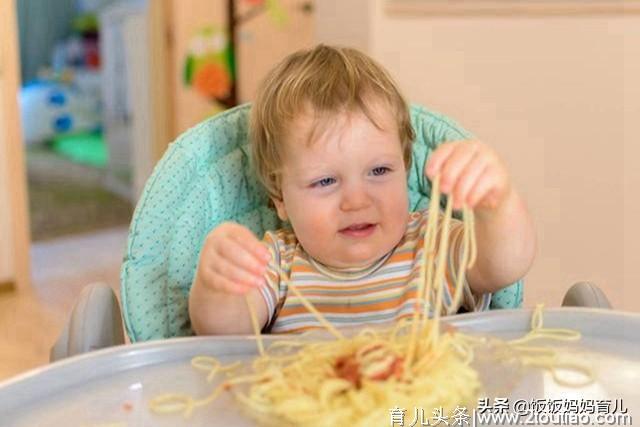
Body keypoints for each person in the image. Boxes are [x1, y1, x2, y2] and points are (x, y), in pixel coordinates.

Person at [189, 44, 536, 335]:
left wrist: (497, 204)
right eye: (325, 181)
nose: (356, 201)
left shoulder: (431, 243)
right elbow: (224, 333)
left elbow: (503, 266)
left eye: (380, 170)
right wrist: (219, 284)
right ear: (279, 198)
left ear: (404, 167)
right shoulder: (277, 263)